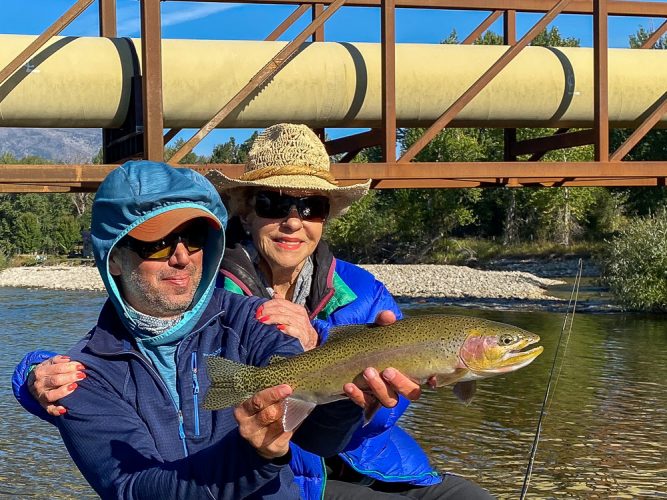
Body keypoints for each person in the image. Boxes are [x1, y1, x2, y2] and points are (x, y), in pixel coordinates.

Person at [13, 125, 492, 499]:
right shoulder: (85, 373)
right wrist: (30, 374)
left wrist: (354, 390)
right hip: (289, 476)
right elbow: (132, 488)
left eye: (311, 207)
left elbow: (321, 422)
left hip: (351, 459)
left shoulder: (281, 312)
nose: (182, 255)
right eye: (158, 242)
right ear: (113, 256)